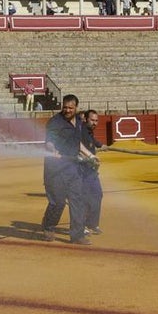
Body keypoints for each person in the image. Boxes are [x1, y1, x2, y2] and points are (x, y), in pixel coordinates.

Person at [41, 93, 89, 244]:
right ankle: (48, 226)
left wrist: (89, 155)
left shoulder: (79, 122)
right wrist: (52, 150)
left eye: (71, 107)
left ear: (76, 107)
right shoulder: (55, 122)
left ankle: (77, 235)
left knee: (78, 200)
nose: (67, 110)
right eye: (65, 107)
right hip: (55, 169)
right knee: (58, 202)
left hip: (73, 167)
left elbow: (77, 143)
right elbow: (49, 141)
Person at [79, 109, 104, 236]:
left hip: (92, 170)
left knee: (97, 195)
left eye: (96, 120)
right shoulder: (80, 130)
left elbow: (92, 140)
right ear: (86, 119)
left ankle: (92, 224)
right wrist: (89, 157)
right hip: (81, 170)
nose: (95, 123)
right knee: (84, 198)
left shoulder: (88, 131)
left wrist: (100, 145)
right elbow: (77, 146)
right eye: (92, 120)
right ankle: (81, 226)